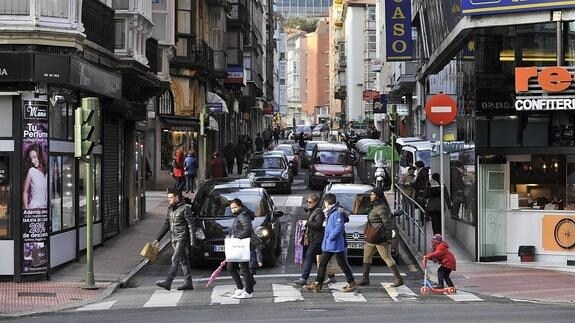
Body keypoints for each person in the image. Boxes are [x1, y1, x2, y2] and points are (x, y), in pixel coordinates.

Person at [304, 193, 356, 293]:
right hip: (331, 244)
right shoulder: (331, 212)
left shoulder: (336, 213)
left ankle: (352, 283)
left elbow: (339, 228)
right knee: (323, 263)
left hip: (335, 244)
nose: (324, 204)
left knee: (342, 264)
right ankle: (317, 284)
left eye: (324, 202)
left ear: (327, 202)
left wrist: (330, 238)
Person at [357, 188, 403, 287]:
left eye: (372, 194)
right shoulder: (374, 206)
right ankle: (365, 279)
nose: (370, 196)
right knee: (367, 256)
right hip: (372, 236)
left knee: (386, 257)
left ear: (377, 196)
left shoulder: (382, 208)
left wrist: (388, 238)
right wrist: (358, 202)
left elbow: (387, 223)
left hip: (380, 237)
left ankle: (399, 279)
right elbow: (360, 211)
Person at [153, 188, 196, 291]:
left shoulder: (185, 208)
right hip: (173, 238)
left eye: (171, 197)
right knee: (183, 261)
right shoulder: (170, 209)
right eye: (168, 198)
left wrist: (192, 241)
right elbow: (167, 224)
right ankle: (188, 283)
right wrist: (158, 239)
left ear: (177, 196)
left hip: (182, 237)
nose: (170, 200)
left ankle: (168, 281)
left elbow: (191, 225)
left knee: (175, 258)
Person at [293, 194, 325, 286]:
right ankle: (331, 277)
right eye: (307, 201)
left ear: (315, 202)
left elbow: (318, 225)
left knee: (309, 257)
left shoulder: (319, 212)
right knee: (323, 259)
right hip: (312, 238)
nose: (307, 203)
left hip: (317, 239)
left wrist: (306, 223)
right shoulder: (313, 211)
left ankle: (304, 278)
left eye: (310, 202)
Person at [227, 198, 255, 299]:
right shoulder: (240, 215)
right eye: (231, 208)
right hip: (239, 245)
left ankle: (248, 291)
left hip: (242, 245)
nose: (233, 210)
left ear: (240, 206)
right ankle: (240, 288)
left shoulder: (243, 215)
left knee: (244, 269)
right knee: (231, 267)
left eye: (235, 207)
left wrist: (236, 236)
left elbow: (247, 230)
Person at [23, 143, 47, 209]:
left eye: (34, 157)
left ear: (40, 155)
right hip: (34, 208)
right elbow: (25, 192)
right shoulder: (32, 171)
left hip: (45, 208)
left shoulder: (47, 171)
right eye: (31, 159)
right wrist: (27, 208)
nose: (33, 161)